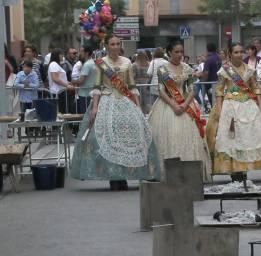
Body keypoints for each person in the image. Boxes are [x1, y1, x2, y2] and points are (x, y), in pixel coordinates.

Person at [70, 35, 160, 191]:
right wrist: (95, 108)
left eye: (118, 44)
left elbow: (131, 86)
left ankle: (124, 175)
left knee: (129, 138)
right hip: (106, 100)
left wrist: (138, 106)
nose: (116, 46)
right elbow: (97, 86)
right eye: (112, 44)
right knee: (105, 138)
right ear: (106, 46)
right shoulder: (101, 63)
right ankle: (113, 176)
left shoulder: (127, 62)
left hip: (125, 101)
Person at [206, 43, 261, 176]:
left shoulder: (250, 69)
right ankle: (234, 171)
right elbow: (219, 90)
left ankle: (245, 170)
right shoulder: (225, 70)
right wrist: (220, 110)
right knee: (231, 139)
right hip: (230, 105)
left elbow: (256, 87)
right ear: (230, 54)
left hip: (248, 105)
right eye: (236, 52)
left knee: (249, 138)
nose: (239, 55)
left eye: (241, 52)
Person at [148, 39, 212, 181]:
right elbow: (161, 90)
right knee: (169, 136)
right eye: (176, 52)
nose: (179, 54)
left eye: (181, 52)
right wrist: (174, 105)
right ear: (169, 52)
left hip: (186, 104)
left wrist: (184, 105)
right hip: (167, 106)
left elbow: (191, 89)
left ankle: (189, 172)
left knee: (189, 137)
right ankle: (168, 171)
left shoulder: (187, 68)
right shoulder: (162, 69)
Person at [72, 45, 98, 114]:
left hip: (84, 95)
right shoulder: (93, 63)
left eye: (81, 51)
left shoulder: (87, 65)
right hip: (91, 93)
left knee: (85, 116)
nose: (79, 54)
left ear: (86, 53)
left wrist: (72, 81)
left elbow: (81, 80)